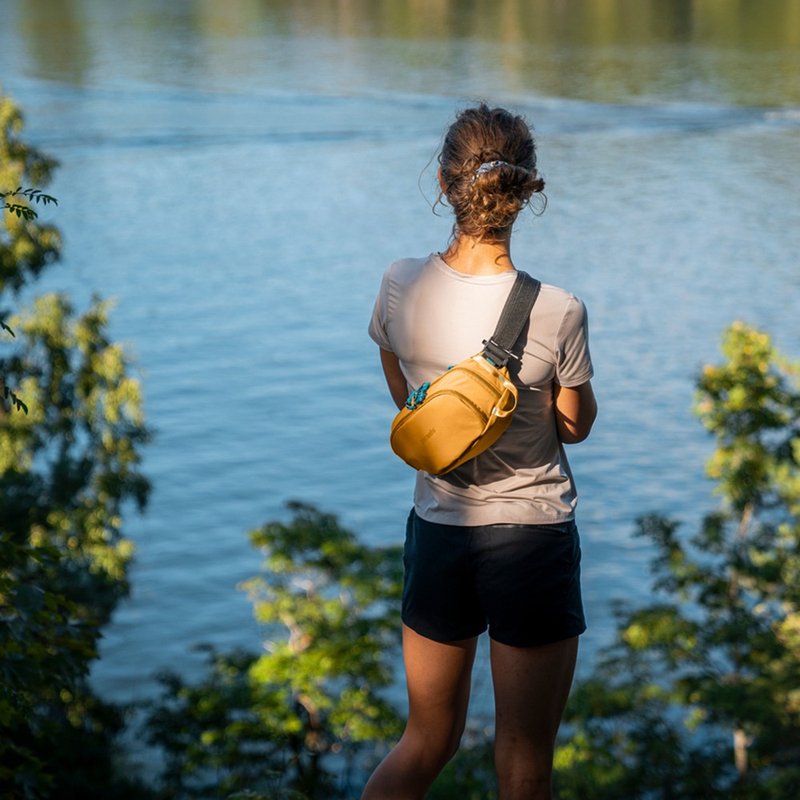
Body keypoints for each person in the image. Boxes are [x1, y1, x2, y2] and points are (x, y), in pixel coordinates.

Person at [363, 104, 597, 800]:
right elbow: (576, 426)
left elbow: (407, 399)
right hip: (532, 540)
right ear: (526, 192)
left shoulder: (402, 284)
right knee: (524, 765)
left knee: (424, 741)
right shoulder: (557, 309)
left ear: (443, 183)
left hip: (439, 534)